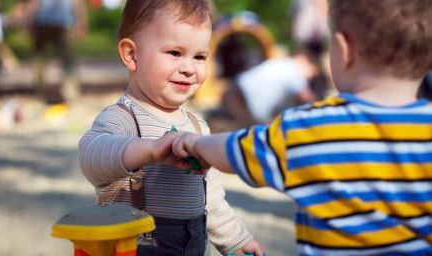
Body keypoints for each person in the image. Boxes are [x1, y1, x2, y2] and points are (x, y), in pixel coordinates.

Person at [173, 0, 432, 255]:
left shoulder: (309, 128)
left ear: (344, 51)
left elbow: (237, 151)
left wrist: (197, 144)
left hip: (237, 96)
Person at [78, 1, 264, 256]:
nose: (189, 68)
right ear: (132, 55)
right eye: (175, 53)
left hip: (193, 244)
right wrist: (151, 150)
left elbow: (212, 200)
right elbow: (91, 158)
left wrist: (236, 240)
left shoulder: (198, 127)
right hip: (138, 246)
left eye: (199, 57)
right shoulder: (123, 118)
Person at [221, 51, 321, 127]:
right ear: (304, 60)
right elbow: (307, 98)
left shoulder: (283, 64)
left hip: (236, 92)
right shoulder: (294, 70)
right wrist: (323, 106)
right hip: (241, 100)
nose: (310, 78)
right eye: (311, 72)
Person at [25, 0, 87, 102]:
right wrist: (81, 21)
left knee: (39, 56)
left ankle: (39, 88)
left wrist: (28, 20)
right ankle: (70, 91)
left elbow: (33, 2)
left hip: (43, 20)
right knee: (67, 59)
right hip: (61, 21)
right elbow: (78, 3)